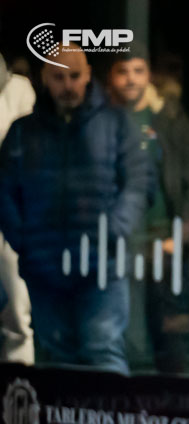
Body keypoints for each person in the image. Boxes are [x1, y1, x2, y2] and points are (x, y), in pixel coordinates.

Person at [0, 46, 153, 373]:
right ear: (45, 79)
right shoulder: (23, 132)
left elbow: (138, 183)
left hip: (101, 263)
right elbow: (4, 191)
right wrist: (24, 241)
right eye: (58, 77)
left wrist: (115, 230)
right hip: (45, 264)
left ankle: (111, 410)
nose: (67, 85)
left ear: (87, 76)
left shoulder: (115, 123)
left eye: (74, 76)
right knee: (60, 359)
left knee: (103, 350)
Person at [107, 47, 189, 374]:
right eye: (123, 72)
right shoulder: (101, 119)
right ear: (110, 77)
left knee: (166, 327)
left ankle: (174, 395)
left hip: (162, 237)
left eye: (138, 71)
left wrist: (185, 229)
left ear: (149, 75)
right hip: (117, 240)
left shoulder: (169, 117)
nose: (130, 79)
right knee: (115, 327)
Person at [0, 53, 36, 365]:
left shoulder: (19, 90)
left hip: (10, 210)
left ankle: (18, 381)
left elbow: (27, 152)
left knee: (18, 311)